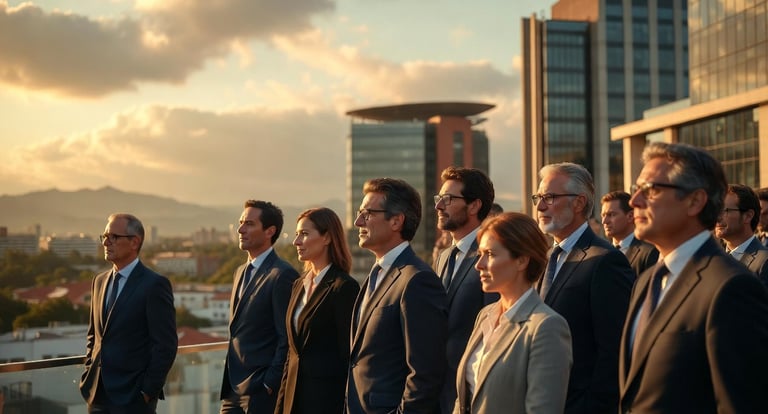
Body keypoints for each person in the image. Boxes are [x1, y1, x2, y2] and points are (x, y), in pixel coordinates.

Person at [619, 142, 768, 413]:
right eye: (635, 190)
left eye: (650, 190)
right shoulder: (646, 281)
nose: (634, 201)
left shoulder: (731, 287)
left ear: (695, 201)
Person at [533, 162, 634, 414]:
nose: (540, 206)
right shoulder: (546, 257)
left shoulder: (605, 260)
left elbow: (614, 350)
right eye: (538, 197)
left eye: (549, 197)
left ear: (578, 203)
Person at [453, 212, 572, 414]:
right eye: (480, 254)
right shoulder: (485, 315)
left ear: (521, 261)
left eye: (490, 254)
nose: (478, 265)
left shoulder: (546, 327)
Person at [347, 178, 448, 414]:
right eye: (360, 212)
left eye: (368, 214)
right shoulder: (375, 274)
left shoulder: (417, 281)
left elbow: (425, 375)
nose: (358, 221)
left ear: (396, 220)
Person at [80, 213, 177, 414]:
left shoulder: (154, 285)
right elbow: (94, 336)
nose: (106, 242)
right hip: (96, 395)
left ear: (134, 242)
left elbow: (165, 345)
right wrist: (89, 371)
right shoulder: (99, 281)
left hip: (133, 399)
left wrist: (147, 391)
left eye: (113, 237)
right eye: (104, 236)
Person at [275, 208, 360, 414]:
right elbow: (292, 354)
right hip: (292, 402)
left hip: (326, 402)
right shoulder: (298, 285)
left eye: (304, 234)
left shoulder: (344, 287)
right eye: (297, 234)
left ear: (327, 237)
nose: (296, 241)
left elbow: (348, 358)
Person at [220, 200, 299, 414]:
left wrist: (270, 383)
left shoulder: (282, 275)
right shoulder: (239, 272)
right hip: (232, 389)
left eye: (249, 224)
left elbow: (287, 337)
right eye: (240, 222)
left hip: (260, 391)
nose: (240, 229)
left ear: (269, 231)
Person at [433, 166, 499, 414]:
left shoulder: (491, 254)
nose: (439, 206)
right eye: (438, 199)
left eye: (448, 199)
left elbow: (492, 331)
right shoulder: (444, 256)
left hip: (473, 393)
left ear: (474, 206)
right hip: (440, 393)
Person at [715, 184, 768, 286]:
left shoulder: (764, 262)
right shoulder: (713, 259)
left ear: (748, 216)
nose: (717, 218)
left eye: (724, 211)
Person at [600, 191, 659, 277]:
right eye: (603, 215)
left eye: (611, 215)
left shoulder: (649, 253)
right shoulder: (600, 253)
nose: (604, 221)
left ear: (631, 216)